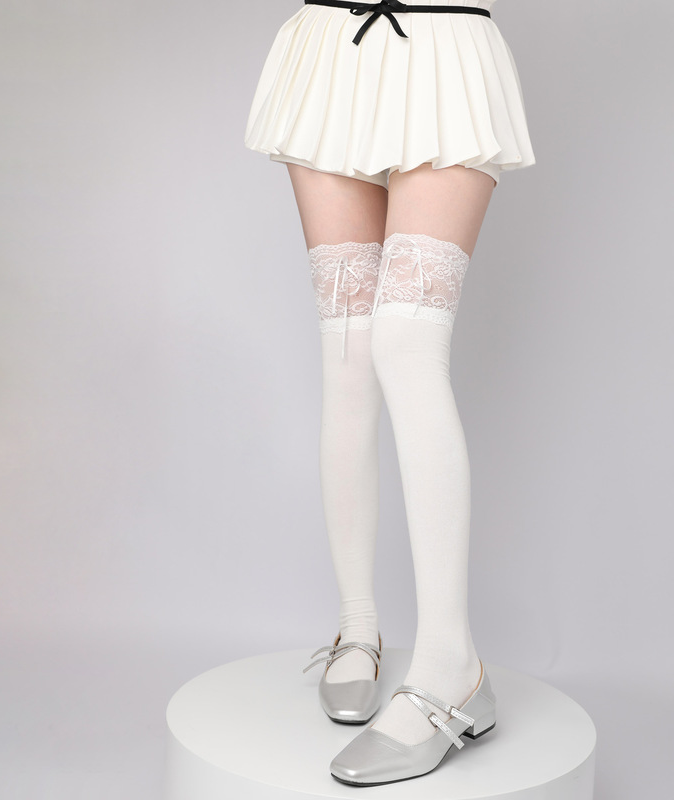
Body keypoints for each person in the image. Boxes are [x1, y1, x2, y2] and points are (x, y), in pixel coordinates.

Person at [244, 0, 535, 786]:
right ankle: (357, 626)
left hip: (445, 42)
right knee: (348, 346)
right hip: (329, 47)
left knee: (406, 340)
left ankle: (449, 667)